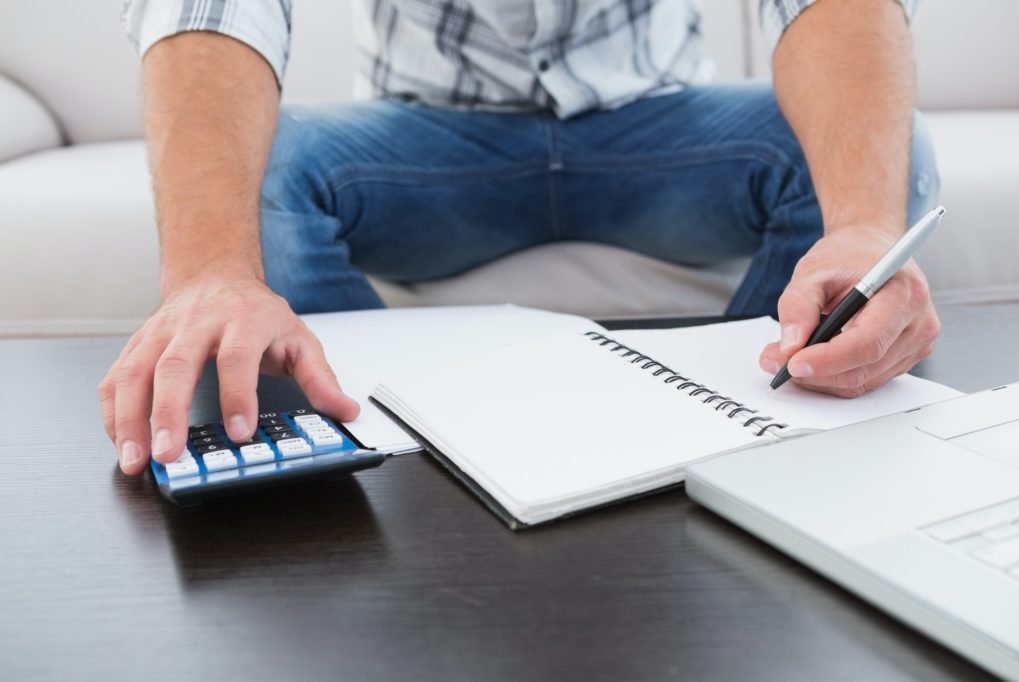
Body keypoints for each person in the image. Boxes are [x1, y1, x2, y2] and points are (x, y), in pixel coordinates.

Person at [104, 0, 940, 475]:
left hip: (655, 123)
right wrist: (210, 270)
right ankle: (405, 456)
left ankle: (760, 442)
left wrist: (864, 225)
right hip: (425, 135)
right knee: (259, 179)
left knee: (885, 164)